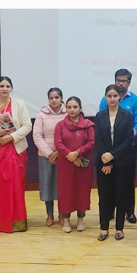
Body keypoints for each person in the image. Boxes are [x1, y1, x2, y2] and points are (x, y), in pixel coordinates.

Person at [0, 76, 32, 233]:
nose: (4, 89)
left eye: (7, 86)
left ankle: (16, 222)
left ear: (11, 88)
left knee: (15, 187)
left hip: (15, 150)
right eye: (1, 86)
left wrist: (11, 137)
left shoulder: (20, 104)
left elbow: (27, 125)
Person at [99, 69, 137, 224]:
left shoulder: (135, 101)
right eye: (118, 80)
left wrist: (128, 134)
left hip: (127, 147)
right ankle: (110, 211)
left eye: (124, 81)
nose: (121, 83)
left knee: (127, 182)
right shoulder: (106, 100)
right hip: (109, 149)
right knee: (109, 181)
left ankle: (129, 212)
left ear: (129, 82)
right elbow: (102, 123)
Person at [94, 85, 137, 241]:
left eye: (114, 96)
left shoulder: (126, 115)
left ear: (120, 97)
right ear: (105, 98)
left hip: (121, 162)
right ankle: (104, 228)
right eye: (109, 96)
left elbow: (128, 140)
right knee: (104, 196)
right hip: (103, 164)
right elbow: (98, 139)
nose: (112, 99)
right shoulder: (99, 116)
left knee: (121, 196)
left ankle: (119, 228)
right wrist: (105, 159)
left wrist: (112, 156)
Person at [54, 96, 95, 233]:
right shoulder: (60, 125)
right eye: (69, 107)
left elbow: (91, 142)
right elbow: (58, 143)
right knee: (66, 191)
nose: (72, 110)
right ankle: (66, 220)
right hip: (66, 164)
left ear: (80, 108)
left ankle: (80, 219)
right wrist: (70, 155)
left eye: (75, 107)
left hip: (83, 164)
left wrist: (77, 153)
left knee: (82, 190)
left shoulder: (88, 125)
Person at [33, 87, 66, 227]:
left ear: (61, 98)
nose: (54, 100)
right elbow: (37, 136)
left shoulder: (67, 113)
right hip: (46, 156)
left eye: (57, 97)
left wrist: (60, 151)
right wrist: (49, 153)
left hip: (64, 156)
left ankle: (63, 214)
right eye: (51, 98)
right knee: (48, 185)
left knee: (63, 186)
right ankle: (49, 214)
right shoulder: (41, 115)